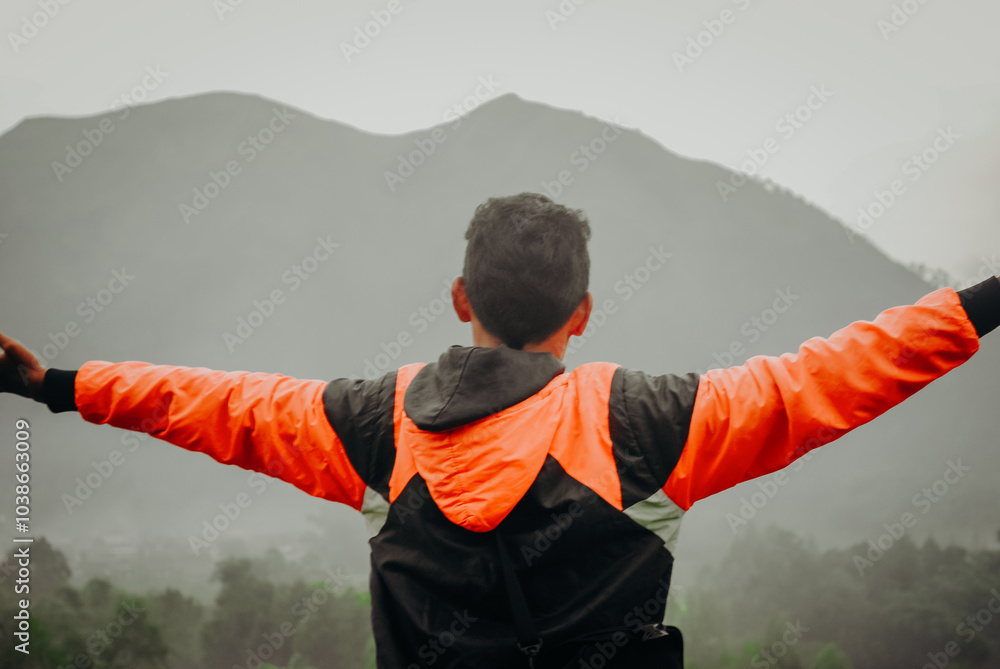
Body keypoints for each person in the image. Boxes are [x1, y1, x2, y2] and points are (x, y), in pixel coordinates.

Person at [1, 192, 998, 668]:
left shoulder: (373, 424)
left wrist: (56, 385)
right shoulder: (648, 425)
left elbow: (213, 403)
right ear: (583, 313)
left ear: (458, 296)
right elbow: (844, 372)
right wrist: (988, 298)